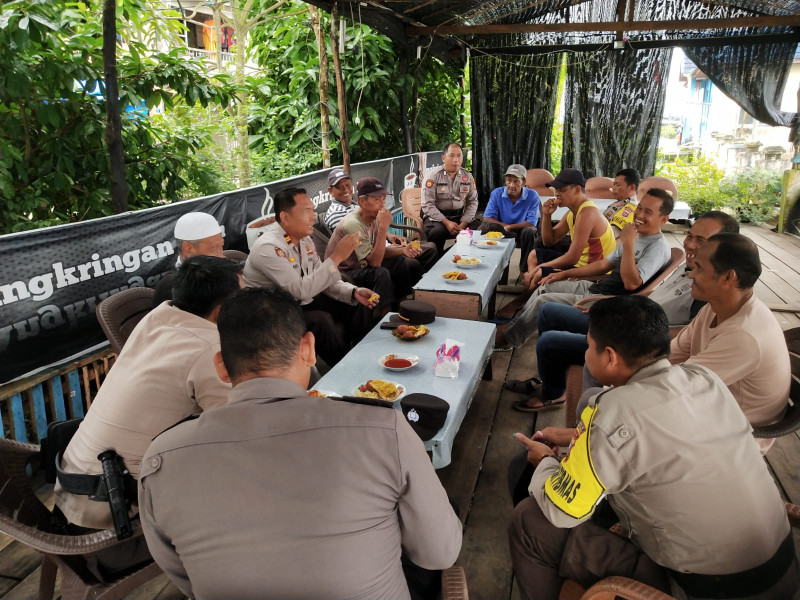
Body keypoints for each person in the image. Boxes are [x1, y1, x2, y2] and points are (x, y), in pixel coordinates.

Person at [138, 287, 463, 599]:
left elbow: (185, 579)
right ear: (308, 348)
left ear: (222, 366)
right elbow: (440, 554)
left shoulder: (161, 459)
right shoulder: (384, 430)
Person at [507, 296, 799, 600]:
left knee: (528, 520)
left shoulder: (614, 412)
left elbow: (561, 509)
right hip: (781, 567)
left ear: (610, 356)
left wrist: (544, 461)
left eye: (587, 346)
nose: (585, 352)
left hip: (706, 588)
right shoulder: (705, 379)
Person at [53, 256, 242, 577]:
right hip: (112, 538)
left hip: (69, 508)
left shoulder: (157, 317)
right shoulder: (209, 349)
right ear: (222, 311)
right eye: (245, 295)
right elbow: (242, 429)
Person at [505, 211, 740, 412]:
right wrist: (609, 304)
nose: (689, 244)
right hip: (627, 319)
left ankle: (561, 399)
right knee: (548, 315)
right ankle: (551, 386)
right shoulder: (688, 269)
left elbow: (685, 338)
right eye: (689, 235)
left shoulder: (711, 288)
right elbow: (647, 296)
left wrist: (621, 323)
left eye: (702, 240)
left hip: (635, 344)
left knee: (550, 338)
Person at [495, 188, 673, 350]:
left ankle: (508, 339)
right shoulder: (637, 236)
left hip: (610, 301)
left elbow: (631, 284)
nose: (639, 214)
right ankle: (514, 329)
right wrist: (563, 275)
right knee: (545, 285)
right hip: (597, 287)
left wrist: (627, 244)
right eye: (639, 208)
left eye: (648, 212)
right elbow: (604, 265)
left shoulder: (656, 247)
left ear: (664, 219)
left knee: (544, 300)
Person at [670, 232, 791, 454]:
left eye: (699, 268)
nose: (690, 274)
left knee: (613, 409)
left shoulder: (744, 334)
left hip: (734, 437)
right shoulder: (715, 308)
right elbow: (673, 353)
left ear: (727, 278)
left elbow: (679, 387)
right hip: (708, 408)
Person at [243, 187, 382, 367]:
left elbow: (321, 278)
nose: (313, 217)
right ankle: (346, 368)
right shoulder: (268, 247)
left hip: (299, 302)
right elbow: (300, 290)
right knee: (320, 321)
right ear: (285, 217)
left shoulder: (304, 240)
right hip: (272, 312)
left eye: (312, 210)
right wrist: (337, 256)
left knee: (356, 304)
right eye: (306, 211)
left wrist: (353, 291)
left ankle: (365, 353)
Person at [498, 169, 615, 318]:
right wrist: (546, 215)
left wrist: (541, 268)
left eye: (561, 189)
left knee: (540, 271)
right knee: (534, 255)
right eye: (556, 189)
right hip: (580, 263)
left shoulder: (587, 213)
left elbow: (572, 257)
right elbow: (548, 241)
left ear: (577, 189)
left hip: (592, 271)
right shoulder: (573, 212)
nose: (556, 193)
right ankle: (530, 295)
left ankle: (520, 304)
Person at [326, 177, 437, 300]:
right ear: (362, 201)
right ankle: (384, 313)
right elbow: (374, 262)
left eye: (383, 199)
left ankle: (405, 301)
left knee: (399, 261)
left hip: (364, 263)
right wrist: (383, 228)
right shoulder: (353, 223)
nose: (383, 204)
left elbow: (378, 252)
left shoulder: (374, 216)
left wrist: (403, 250)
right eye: (377, 199)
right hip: (346, 272)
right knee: (381, 273)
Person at [153, 212, 225, 306]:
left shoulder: (221, 271)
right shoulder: (171, 288)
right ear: (188, 249)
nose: (221, 255)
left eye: (221, 246)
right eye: (214, 248)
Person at [422, 142, 481, 255]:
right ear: (443, 158)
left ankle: (460, 255)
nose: (456, 160)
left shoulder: (467, 176)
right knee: (437, 232)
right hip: (437, 219)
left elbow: (473, 201)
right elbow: (427, 205)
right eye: (452, 156)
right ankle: (437, 260)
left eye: (459, 156)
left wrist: (463, 223)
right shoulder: (433, 176)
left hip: (459, 217)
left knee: (479, 229)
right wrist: (447, 222)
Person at [480, 163, 539, 272]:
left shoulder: (533, 195)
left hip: (523, 230)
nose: (511, 185)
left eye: (516, 181)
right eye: (508, 180)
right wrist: (506, 227)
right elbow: (487, 218)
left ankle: (524, 271)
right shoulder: (497, 193)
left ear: (524, 183)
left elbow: (531, 222)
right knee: (485, 226)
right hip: (504, 229)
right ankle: (492, 269)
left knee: (529, 232)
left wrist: (511, 226)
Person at [602, 168, 640, 237]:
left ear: (631, 187)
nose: (613, 188)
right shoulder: (621, 203)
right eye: (614, 184)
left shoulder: (629, 208)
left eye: (618, 185)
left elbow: (612, 234)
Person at [324, 167, 357, 231]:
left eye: (348, 185)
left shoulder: (354, 204)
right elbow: (358, 239)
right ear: (330, 191)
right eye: (339, 187)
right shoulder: (336, 213)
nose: (346, 190)